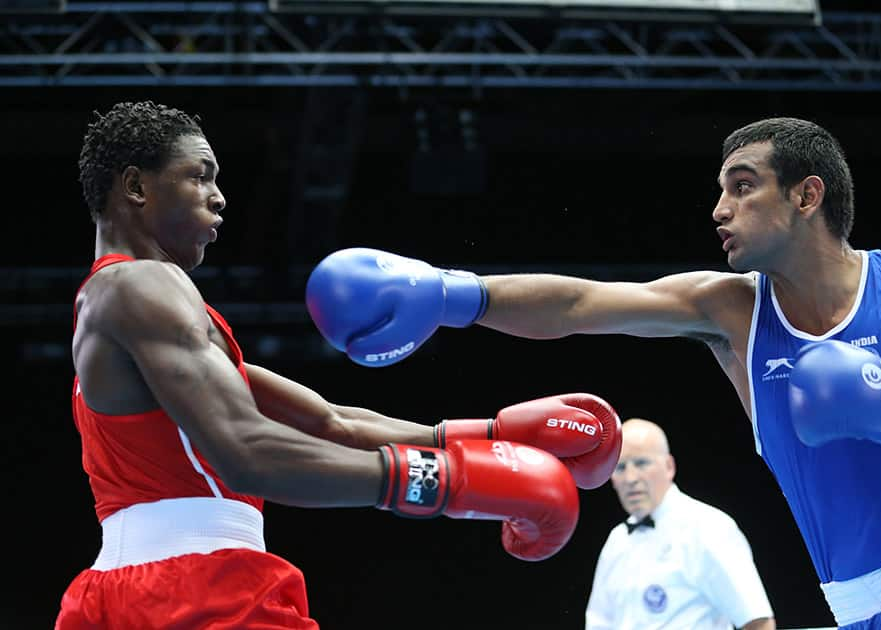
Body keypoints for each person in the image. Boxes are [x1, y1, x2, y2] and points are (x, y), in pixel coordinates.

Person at [307, 117, 881, 628]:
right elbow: (583, 303)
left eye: (742, 187)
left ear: (806, 196)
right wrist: (460, 294)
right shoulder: (730, 312)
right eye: (720, 190)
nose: (718, 210)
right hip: (851, 606)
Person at [57, 100, 624, 629]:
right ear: (135, 186)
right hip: (195, 591)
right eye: (199, 175)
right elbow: (247, 452)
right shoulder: (142, 285)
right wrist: (444, 483)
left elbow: (330, 423)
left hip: (130, 590)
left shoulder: (126, 305)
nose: (219, 195)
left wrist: (488, 436)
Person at [586, 418, 775, 630]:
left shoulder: (708, 527)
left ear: (669, 466)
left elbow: (758, 621)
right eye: (620, 468)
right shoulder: (616, 541)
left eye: (641, 463)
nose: (630, 478)